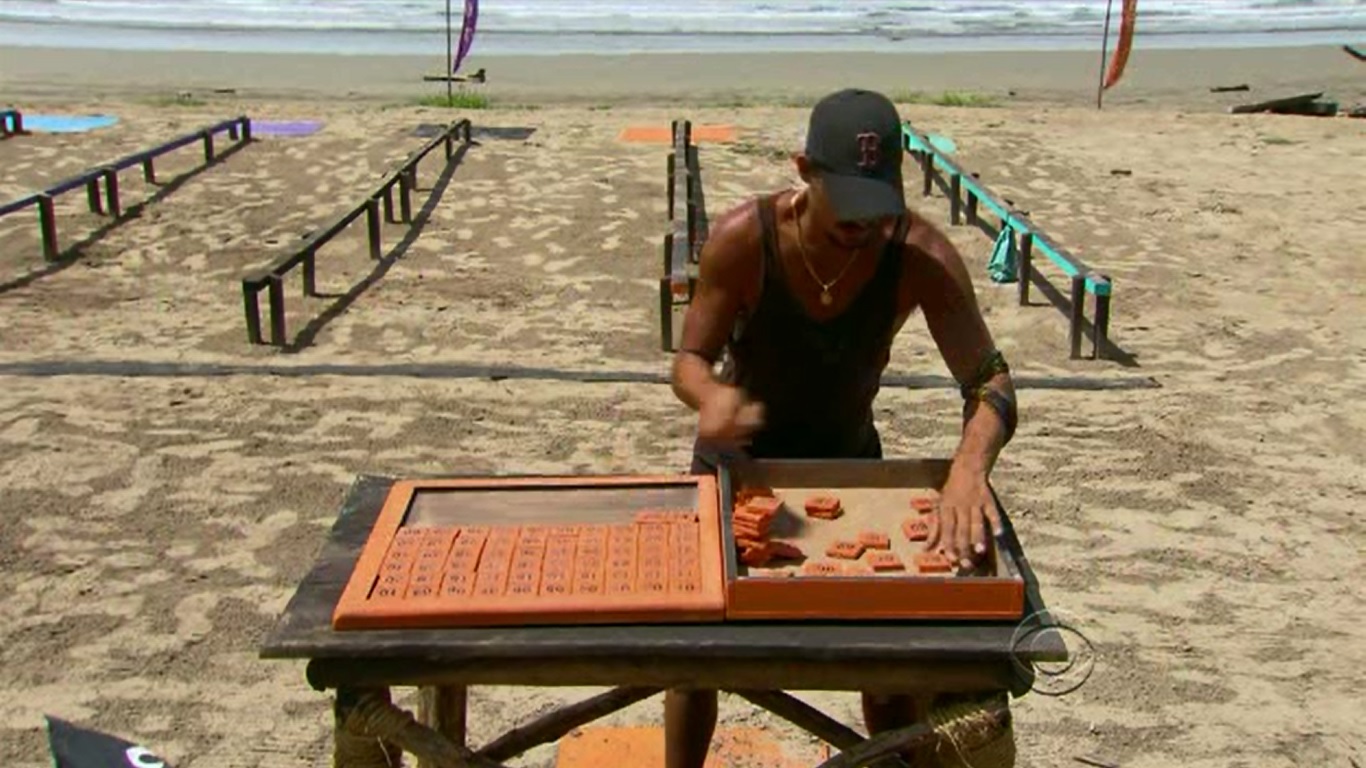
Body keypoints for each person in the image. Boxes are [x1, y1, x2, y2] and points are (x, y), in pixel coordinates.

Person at [666, 88, 1019, 768]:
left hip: (850, 465)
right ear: (804, 169)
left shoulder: (918, 253)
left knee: (886, 661)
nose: (862, 225)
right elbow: (689, 360)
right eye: (847, 205)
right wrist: (710, 397)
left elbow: (990, 381)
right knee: (693, 654)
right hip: (736, 469)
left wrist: (969, 468)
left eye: (876, 205)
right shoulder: (745, 240)